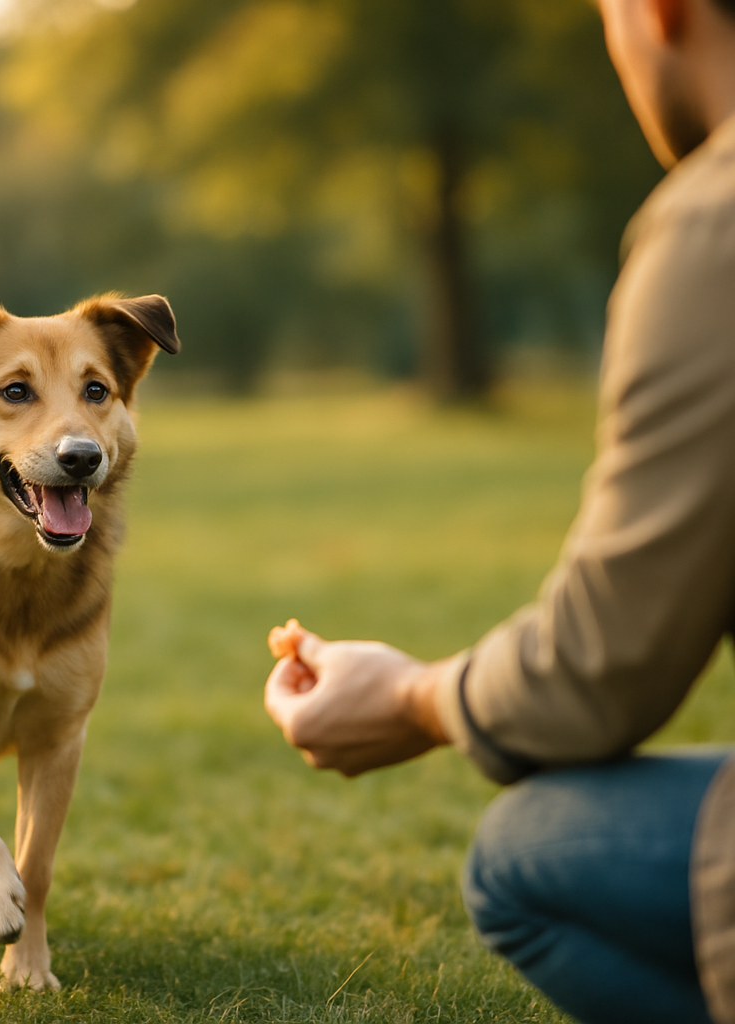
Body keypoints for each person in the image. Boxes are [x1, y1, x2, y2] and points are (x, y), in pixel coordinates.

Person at [262, 1, 735, 1022]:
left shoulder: (714, 224)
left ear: (660, 12)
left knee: (524, 856)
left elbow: (598, 670)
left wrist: (411, 696)